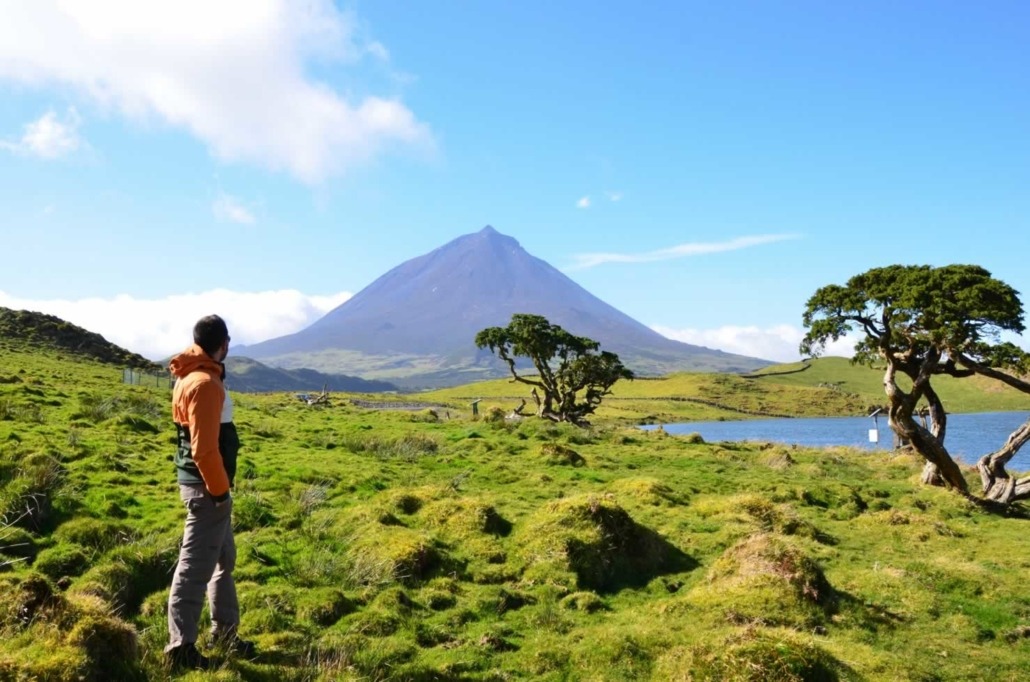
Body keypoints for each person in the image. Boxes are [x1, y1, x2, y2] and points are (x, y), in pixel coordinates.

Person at [164, 315, 254, 670]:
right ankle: (180, 648)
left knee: (223, 560)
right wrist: (219, 493)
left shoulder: (193, 375)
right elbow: (203, 449)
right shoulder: (204, 383)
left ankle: (226, 632)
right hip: (207, 490)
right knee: (194, 568)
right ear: (223, 344)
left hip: (206, 487)